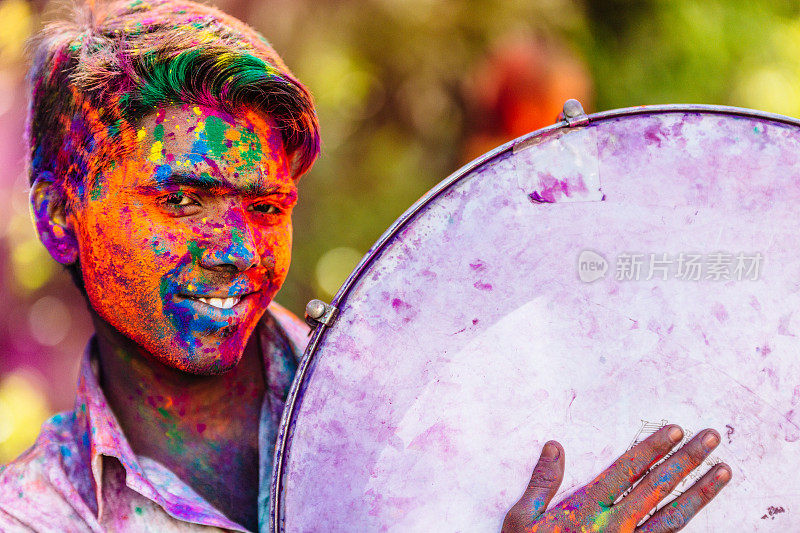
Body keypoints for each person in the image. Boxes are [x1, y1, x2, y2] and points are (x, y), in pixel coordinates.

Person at [0, 1, 731, 531]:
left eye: (266, 207)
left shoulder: (444, 386)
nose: (238, 252)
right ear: (59, 215)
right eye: (184, 197)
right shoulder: (34, 513)